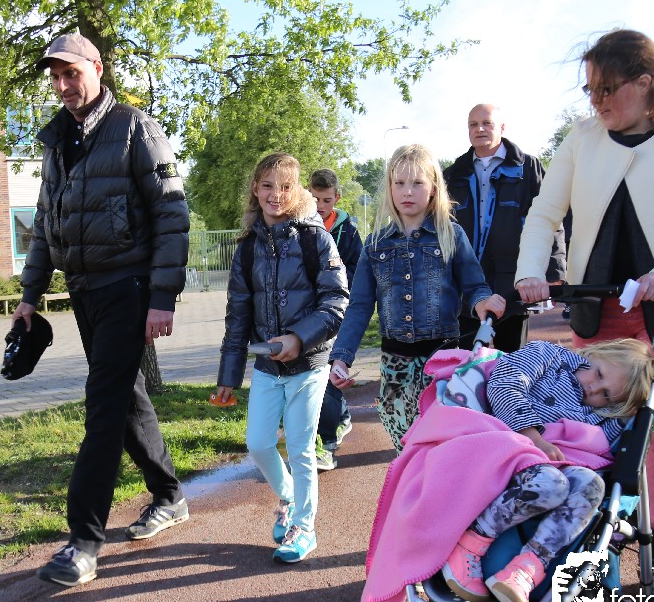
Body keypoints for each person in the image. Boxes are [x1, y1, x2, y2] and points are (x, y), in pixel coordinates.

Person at [515, 28, 654, 585]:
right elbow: (544, 213)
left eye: (607, 89)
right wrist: (530, 273)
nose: (596, 102)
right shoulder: (582, 138)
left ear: (644, 83)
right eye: (589, 90)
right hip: (601, 306)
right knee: (586, 422)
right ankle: (592, 533)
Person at [15, 33, 191, 588]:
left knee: (104, 405)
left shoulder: (136, 128)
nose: (63, 85)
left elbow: (171, 213)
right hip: (85, 289)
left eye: (72, 73)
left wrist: (161, 298)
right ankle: (169, 495)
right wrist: (30, 295)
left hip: (128, 287)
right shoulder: (57, 141)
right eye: (56, 77)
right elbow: (45, 221)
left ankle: (84, 541)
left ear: (96, 68)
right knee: (125, 394)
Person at [442, 339, 654, 602]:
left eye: (606, 395)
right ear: (595, 352)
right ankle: (470, 543)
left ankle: (526, 569)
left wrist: (647, 411)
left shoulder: (598, 415)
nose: (593, 388)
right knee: (552, 483)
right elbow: (504, 383)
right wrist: (534, 437)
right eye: (598, 373)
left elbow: (617, 435)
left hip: (551, 465)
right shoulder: (549, 356)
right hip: (505, 444)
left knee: (592, 485)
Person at [214, 153, 348, 564]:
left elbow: (336, 302)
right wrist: (228, 376)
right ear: (256, 189)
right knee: (258, 443)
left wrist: (298, 338)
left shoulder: (315, 239)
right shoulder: (247, 248)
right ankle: (289, 498)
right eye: (268, 185)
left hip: (309, 364)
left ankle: (304, 528)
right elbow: (238, 316)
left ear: (297, 191)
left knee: (301, 448)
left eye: (285, 186)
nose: (276, 194)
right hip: (267, 367)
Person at [330, 143, 506, 453]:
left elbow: (474, 285)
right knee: (405, 443)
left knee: (442, 444)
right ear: (390, 188)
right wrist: (341, 357)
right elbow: (359, 307)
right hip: (394, 365)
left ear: (433, 188)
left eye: (417, 183)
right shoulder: (375, 244)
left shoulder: (451, 235)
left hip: (442, 362)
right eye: (399, 183)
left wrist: (483, 303)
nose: (407, 191)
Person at [446, 104, 566, 352]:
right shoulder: (454, 174)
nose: (479, 129)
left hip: (513, 285)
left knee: (512, 360)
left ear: (501, 127)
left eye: (486, 123)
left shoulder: (528, 168)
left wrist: (554, 273)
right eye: (473, 124)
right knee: (466, 361)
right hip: (468, 288)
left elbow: (551, 221)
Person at [308, 167, 363, 470]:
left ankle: (327, 444)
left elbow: (359, 271)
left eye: (326, 200)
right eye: (314, 199)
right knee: (316, 375)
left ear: (337, 198)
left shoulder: (349, 232)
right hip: (307, 314)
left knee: (327, 373)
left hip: (338, 311)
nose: (320, 206)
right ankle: (340, 418)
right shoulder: (298, 226)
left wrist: (333, 277)